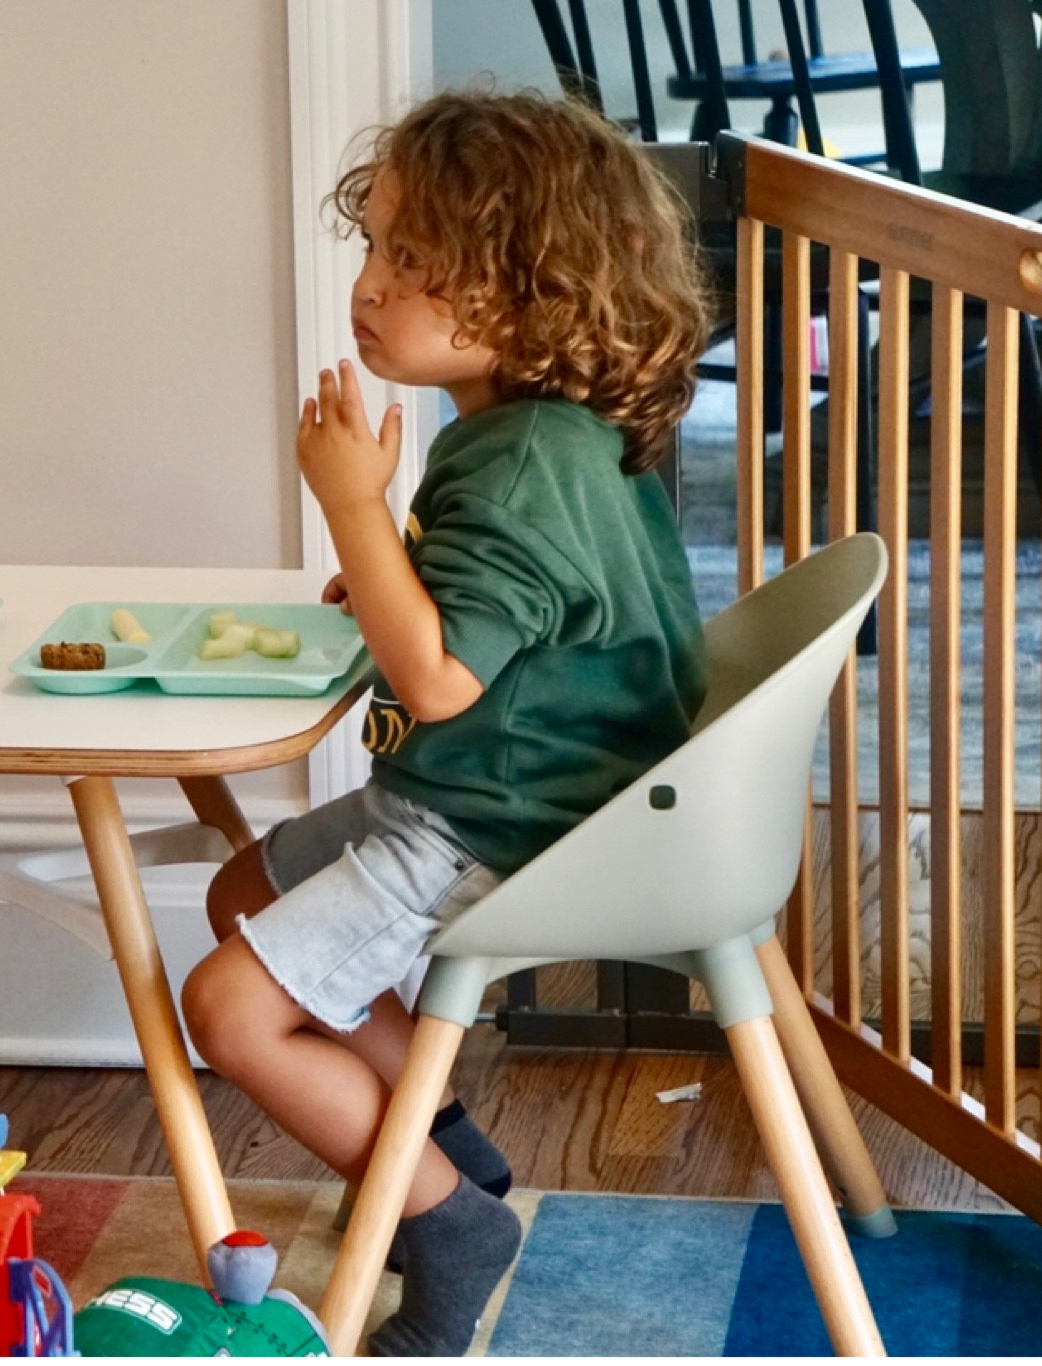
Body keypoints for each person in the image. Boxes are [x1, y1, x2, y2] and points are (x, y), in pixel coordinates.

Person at [181, 90, 711, 1356]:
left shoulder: (515, 459)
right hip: (525, 784)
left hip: (500, 815)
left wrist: (350, 508)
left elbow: (437, 685)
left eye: (414, 262)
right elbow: (498, 613)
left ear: (535, 294)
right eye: (372, 246)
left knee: (227, 1008)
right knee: (239, 892)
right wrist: (387, 574)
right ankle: (442, 1140)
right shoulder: (542, 434)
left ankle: (442, 1218)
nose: (370, 286)